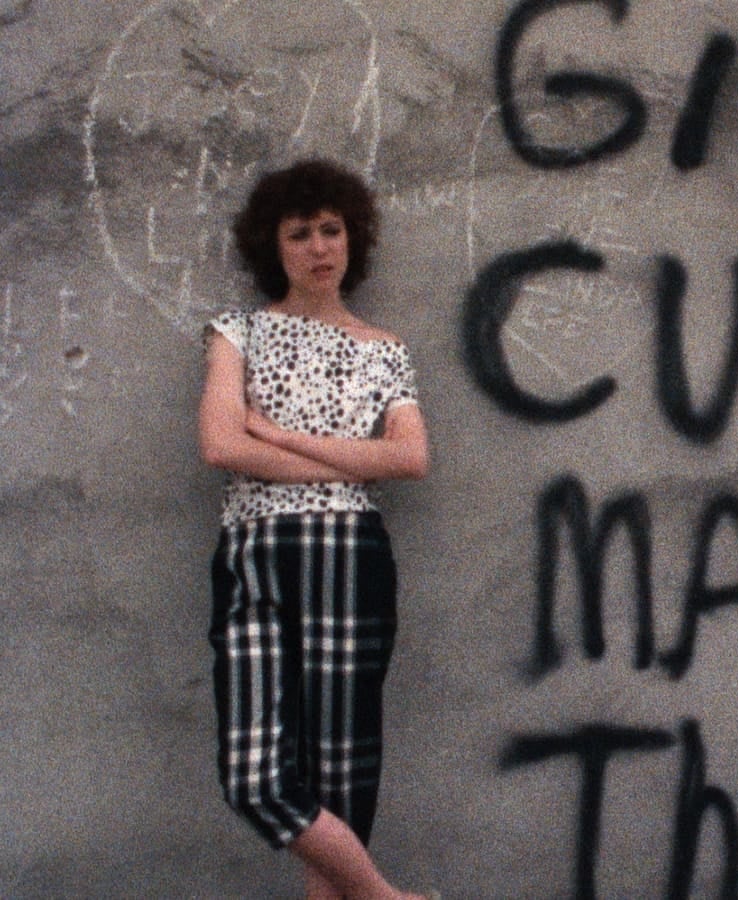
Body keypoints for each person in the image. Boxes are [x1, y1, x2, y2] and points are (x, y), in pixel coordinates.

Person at [198, 158, 433, 900]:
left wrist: (281, 438)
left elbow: (411, 457)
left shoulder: (384, 348)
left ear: (352, 237)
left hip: (352, 558)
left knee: (340, 774)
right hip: (256, 554)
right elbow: (222, 446)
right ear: (274, 247)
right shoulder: (237, 332)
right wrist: (350, 462)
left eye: (331, 229)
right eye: (299, 233)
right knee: (255, 777)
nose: (319, 247)